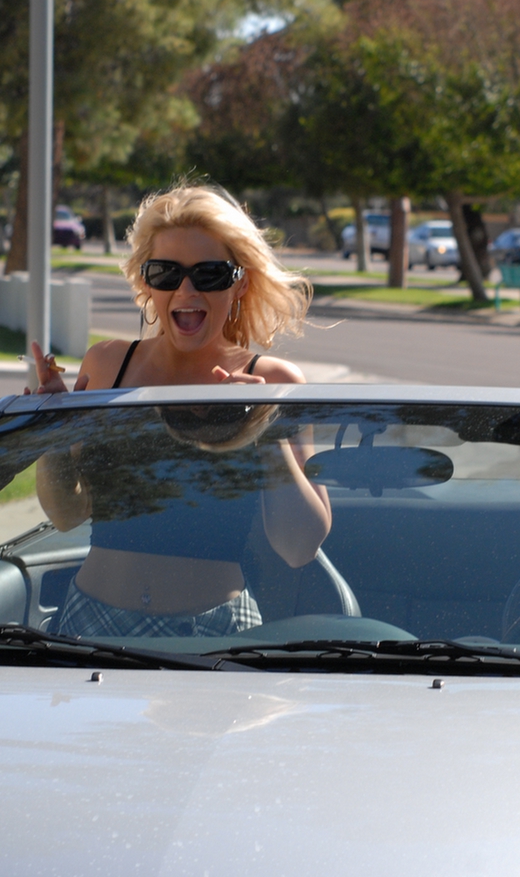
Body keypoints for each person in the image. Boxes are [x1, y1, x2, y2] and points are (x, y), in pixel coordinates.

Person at [26, 184, 331, 637]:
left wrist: (264, 429)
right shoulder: (107, 364)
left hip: (214, 632)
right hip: (91, 622)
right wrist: (51, 434)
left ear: (240, 282)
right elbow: (67, 514)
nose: (186, 289)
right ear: (146, 283)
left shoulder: (275, 382)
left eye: (209, 274)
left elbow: (300, 547)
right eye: (166, 273)